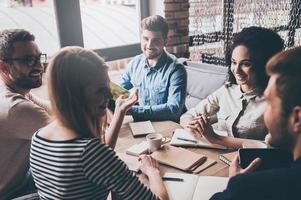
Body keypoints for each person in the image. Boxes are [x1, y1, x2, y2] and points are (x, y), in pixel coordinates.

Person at [30, 46, 169, 200]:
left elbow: (95, 164)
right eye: (100, 90)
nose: (109, 95)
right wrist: (152, 172)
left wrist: (120, 110)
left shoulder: (38, 138)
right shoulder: (90, 152)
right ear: (75, 96)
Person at [210, 46, 301, 200]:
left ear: (297, 118)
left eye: (270, 103)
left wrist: (236, 184)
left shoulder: (247, 188)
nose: (264, 113)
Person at [180, 26, 284, 148]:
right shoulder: (226, 91)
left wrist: (217, 139)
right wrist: (193, 126)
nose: (237, 70)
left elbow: (270, 147)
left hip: (250, 163)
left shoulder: (273, 102)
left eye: (246, 64)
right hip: (215, 156)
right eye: (234, 62)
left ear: (263, 65)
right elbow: (186, 116)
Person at [0, 29, 51, 199]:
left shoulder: (12, 90)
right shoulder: (16, 108)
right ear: (3, 66)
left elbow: (50, 109)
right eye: (29, 60)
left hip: (20, 179)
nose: (39, 66)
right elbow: (73, 136)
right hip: (9, 194)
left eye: (39, 58)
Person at [120, 15, 187, 122]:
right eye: (146, 39)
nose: (149, 45)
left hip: (170, 126)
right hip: (145, 124)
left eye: (156, 40)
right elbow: (119, 92)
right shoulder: (135, 63)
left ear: (165, 41)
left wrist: (133, 111)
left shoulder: (176, 69)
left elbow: (174, 110)